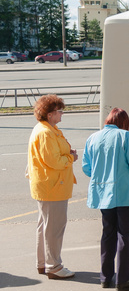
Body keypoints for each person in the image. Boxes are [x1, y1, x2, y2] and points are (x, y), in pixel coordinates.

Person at [82, 108, 129, 291]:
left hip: (103, 195)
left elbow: (87, 168)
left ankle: (105, 277)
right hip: (125, 194)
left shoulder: (92, 138)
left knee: (107, 234)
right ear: (124, 122)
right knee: (124, 236)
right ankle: (123, 280)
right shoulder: (125, 136)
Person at [26, 94, 77, 279]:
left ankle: (43, 263)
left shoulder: (46, 129)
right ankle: (54, 266)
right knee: (54, 228)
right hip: (53, 186)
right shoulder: (46, 132)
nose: (62, 114)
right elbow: (54, 161)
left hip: (48, 185)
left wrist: (67, 153)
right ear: (50, 114)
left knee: (45, 226)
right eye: (59, 111)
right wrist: (71, 157)